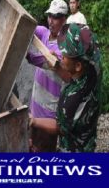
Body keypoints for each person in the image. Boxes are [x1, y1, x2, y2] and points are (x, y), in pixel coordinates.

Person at [30, 23, 101, 152]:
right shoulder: (93, 66)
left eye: (64, 53)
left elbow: (60, 128)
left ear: (78, 66)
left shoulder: (72, 99)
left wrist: (34, 121)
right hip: (88, 141)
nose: (60, 53)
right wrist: (58, 60)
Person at [27, 0, 70, 152]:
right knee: (31, 149)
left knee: (44, 153)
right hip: (35, 108)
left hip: (49, 116)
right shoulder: (44, 33)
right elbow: (28, 26)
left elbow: (43, 61)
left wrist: (27, 56)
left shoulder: (64, 47)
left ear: (64, 20)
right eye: (49, 16)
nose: (51, 21)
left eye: (56, 17)